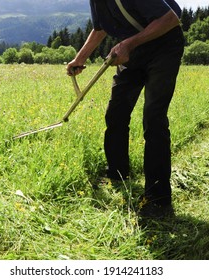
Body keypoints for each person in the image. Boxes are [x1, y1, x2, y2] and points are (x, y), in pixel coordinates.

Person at [67, 0, 185, 217]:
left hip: (164, 46)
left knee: (153, 117)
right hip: (132, 52)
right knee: (116, 113)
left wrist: (129, 44)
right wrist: (80, 58)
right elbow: (100, 28)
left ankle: (158, 197)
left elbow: (171, 18)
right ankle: (117, 173)